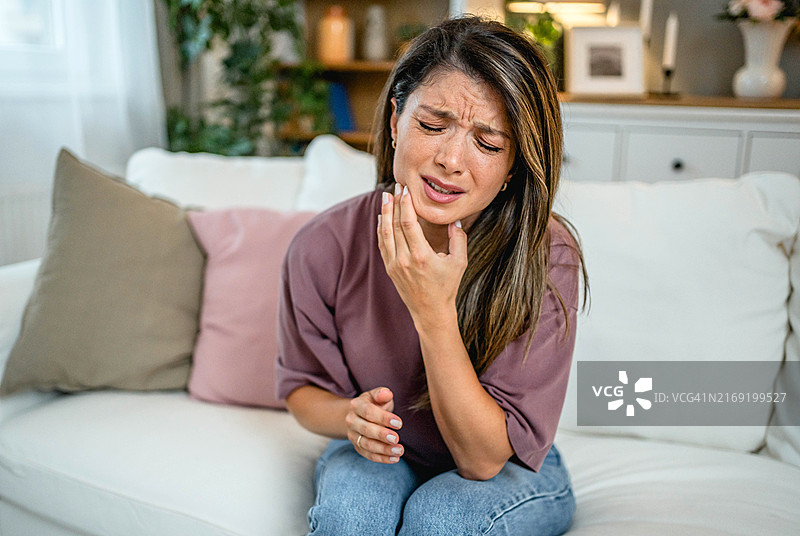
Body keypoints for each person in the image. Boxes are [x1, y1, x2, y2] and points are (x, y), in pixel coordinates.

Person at [276, 15, 587, 536]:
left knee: (440, 519)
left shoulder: (547, 253)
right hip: (383, 449)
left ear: (513, 165)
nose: (450, 160)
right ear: (395, 120)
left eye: (488, 144)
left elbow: (482, 460)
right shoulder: (321, 245)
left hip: (501, 461)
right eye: (432, 125)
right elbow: (302, 391)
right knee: (350, 519)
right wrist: (351, 417)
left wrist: (433, 309)